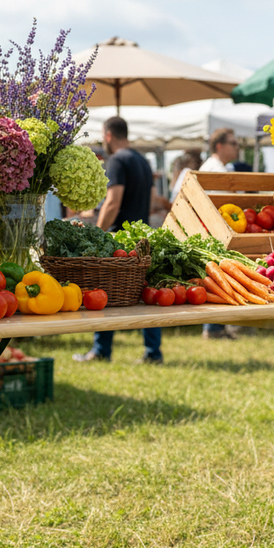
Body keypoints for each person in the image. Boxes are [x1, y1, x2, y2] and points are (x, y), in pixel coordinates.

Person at [74, 116, 162, 364]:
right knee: (146, 292)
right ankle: (153, 352)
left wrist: (97, 233)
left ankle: (101, 350)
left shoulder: (117, 160)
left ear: (108, 135)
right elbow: (153, 200)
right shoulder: (143, 161)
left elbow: (112, 202)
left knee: (106, 292)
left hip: (119, 239)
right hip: (142, 237)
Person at [196, 128, 242, 339]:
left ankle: (216, 326)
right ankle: (213, 327)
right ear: (219, 146)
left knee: (218, 277)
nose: (237, 147)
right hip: (214, 232)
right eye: (233, 143)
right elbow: (223, 204)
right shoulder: (214, 169)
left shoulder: (217, 167)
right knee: (216, 277)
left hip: (216, 231)